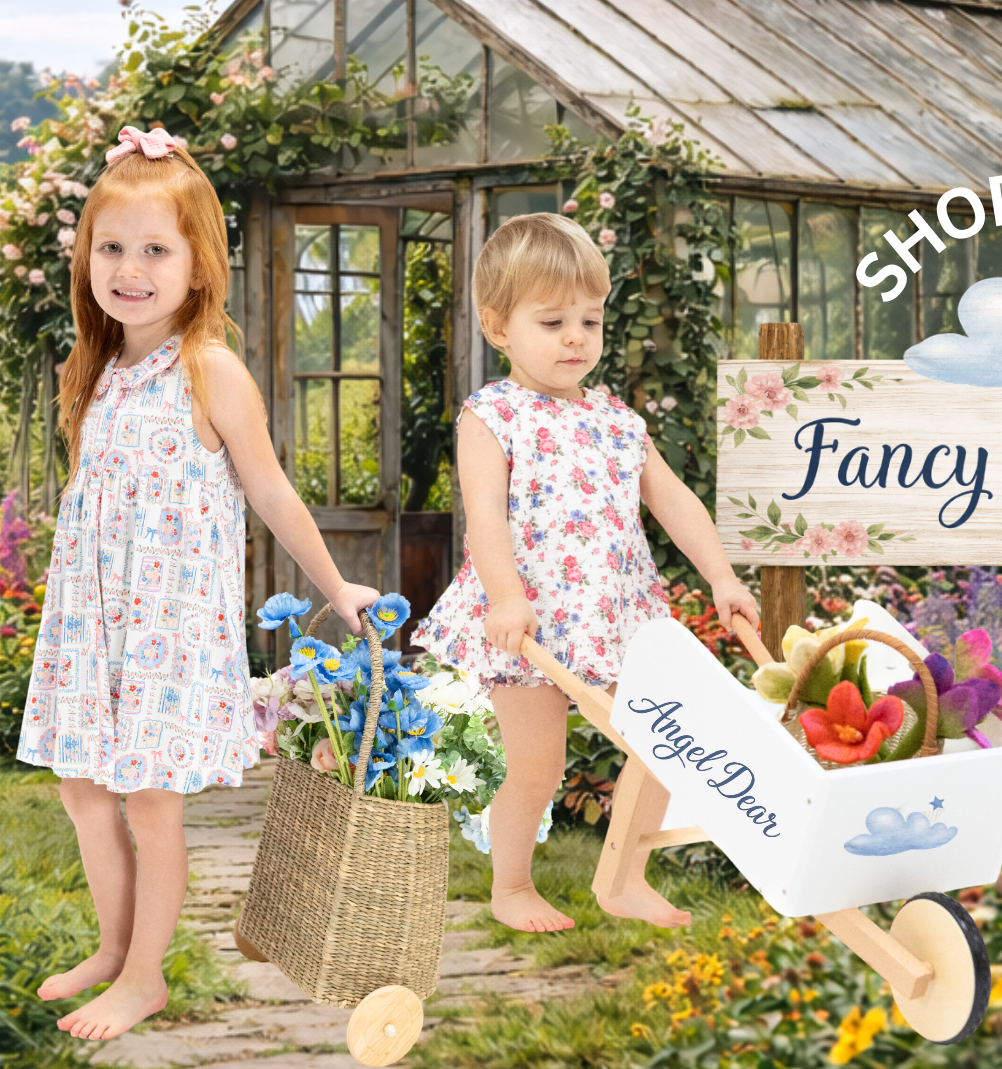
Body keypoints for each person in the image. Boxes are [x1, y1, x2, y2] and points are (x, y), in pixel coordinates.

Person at [16, 126, 380, 1040]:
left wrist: (339, 590)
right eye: (112, 248)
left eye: (154, 250)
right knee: (81, 788)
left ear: (196, 263)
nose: (129, 269)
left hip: (168, 629)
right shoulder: (97, 369)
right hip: (94, 621)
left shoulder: (207, 371)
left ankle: (144, 978)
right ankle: (112, 946)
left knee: (149, 801)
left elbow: (271, 491)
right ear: (86, 257)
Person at [413, 212, 759, 934]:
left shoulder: (618, 420)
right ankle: (510, 886)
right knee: (538, 766)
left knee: (666, 741)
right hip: (531, 621)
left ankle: (623, 878)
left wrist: (723, 577)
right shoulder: (494, 415)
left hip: (617, 614)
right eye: (552, 322)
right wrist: (505, 597)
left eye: (590, 321)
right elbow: (484, 517)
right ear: (499, 327)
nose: (576, 337)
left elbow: (676, 503)